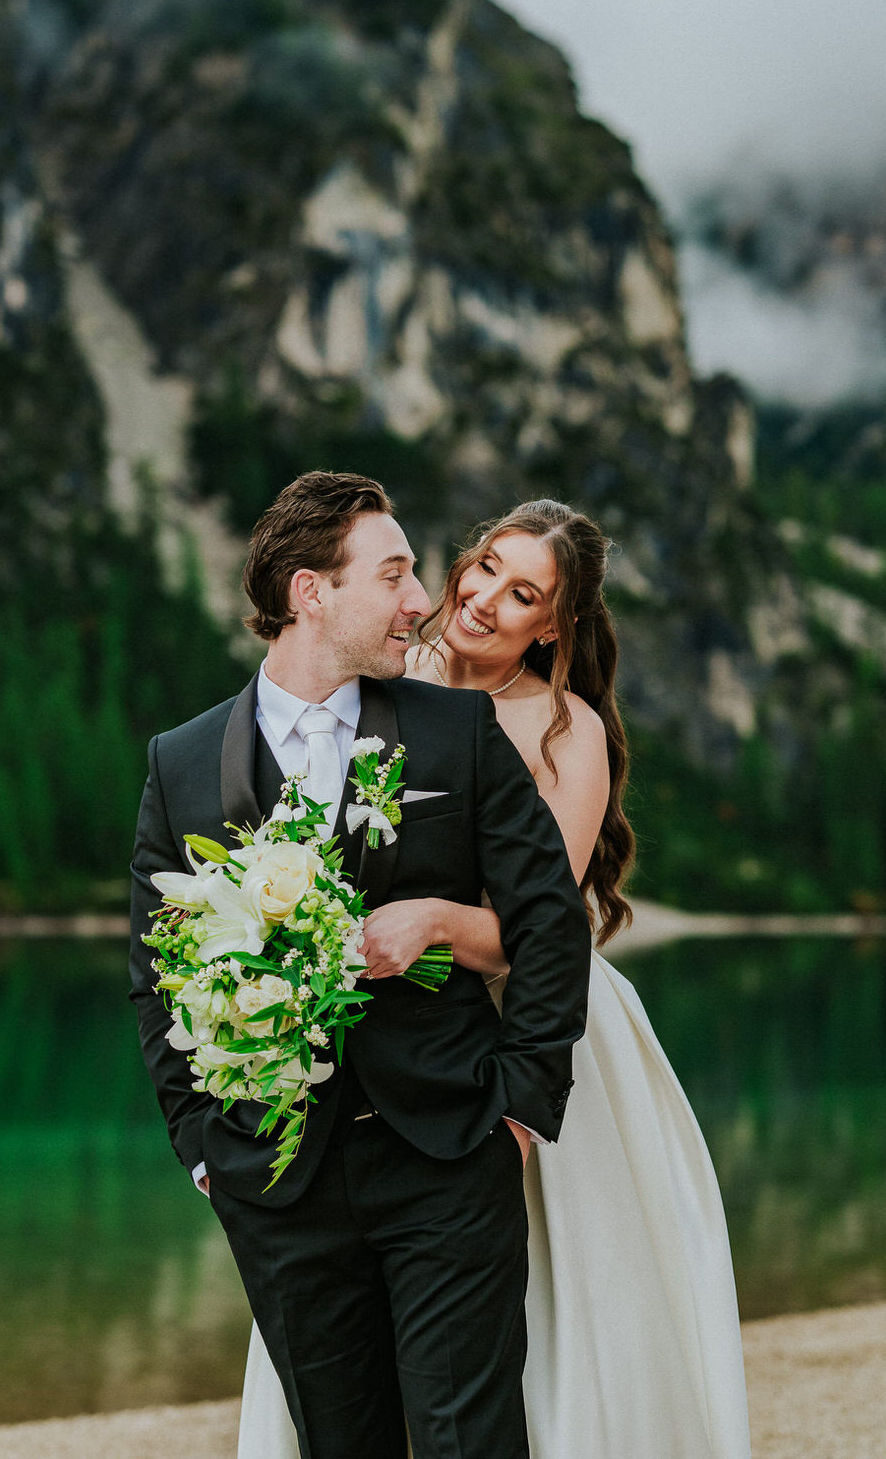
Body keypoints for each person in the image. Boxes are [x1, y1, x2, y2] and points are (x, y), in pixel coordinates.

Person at [238, 498, 753, 1459]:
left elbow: (542, 925)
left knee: (550, 1316)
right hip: (379, 1026)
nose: (481, 598)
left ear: (552, 626)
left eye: (522, 594)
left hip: (524, 1029)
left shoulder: (566, 730)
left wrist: (434, 922)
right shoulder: (383, 676)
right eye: (484, 567)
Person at [129, 472, 593, 1459]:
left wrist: (517, 1110)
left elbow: (550, 920)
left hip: (447, 1152)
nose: (423, 600)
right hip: (276, 1181)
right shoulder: (182, 761)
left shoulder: (456, 732)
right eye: (393, 575)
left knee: (469, 1443)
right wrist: (204, 1149)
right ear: (312, 592)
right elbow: (155, 972)